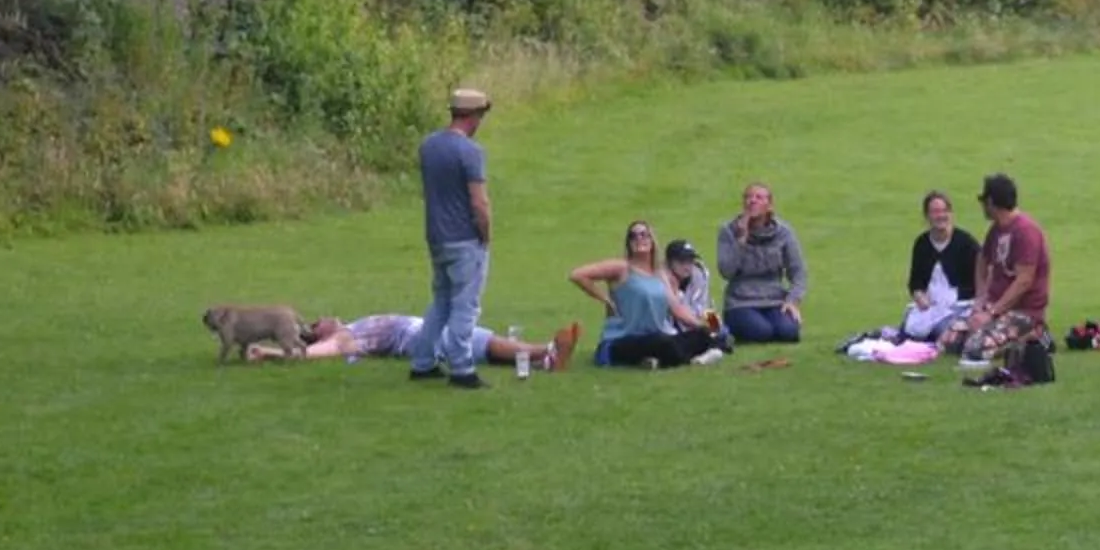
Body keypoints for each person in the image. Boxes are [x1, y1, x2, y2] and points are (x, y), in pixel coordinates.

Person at [411, 86, 495, 389]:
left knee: (442, 301)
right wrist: (485, 235)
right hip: (464, 239)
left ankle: (423, 361)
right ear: (473, 116)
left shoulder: (429, 145)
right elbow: (479, 202)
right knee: (466, 305)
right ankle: (461, 367)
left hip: (436, 237)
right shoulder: (471, 152)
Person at [574, 220, 728, 369]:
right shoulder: (622, 268)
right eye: (633, 236)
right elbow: (578, 275)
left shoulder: (660, 274)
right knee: (663, 343)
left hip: (655, 335)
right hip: (622, 338)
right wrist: (605, 299)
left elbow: (677, 309)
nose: (639, 239)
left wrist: (703, 326)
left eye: (644, 234)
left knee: (705, 335)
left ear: (652, 240)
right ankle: (691, 357)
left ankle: (656, 360)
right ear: (628, 243)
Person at [952, 171, 1050, 370]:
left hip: (1023, 312)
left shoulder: (1026, 232)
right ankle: (1014, 340)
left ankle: (1035, 335)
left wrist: (992, 313)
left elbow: (1024, 280)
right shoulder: (997, 229)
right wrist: (980, 300)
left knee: (976, 348)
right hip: (996, 308)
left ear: (990, 202)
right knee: (951, 339)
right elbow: (982, 259)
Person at [249, 314, 576, 371]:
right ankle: (546, 349)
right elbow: (305, 354)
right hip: (420, 338)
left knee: (482, 342)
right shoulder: (342, 340)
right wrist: (268, 352)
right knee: (482, 341)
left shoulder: (350, 327)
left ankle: (545, 361)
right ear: (318, 333)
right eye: (314, 324)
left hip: (427, 329)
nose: (322, 319)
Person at [717, 183, 807, 343]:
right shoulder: (728, 231)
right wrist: (741, 240)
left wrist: (793, 300)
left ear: (769, 205)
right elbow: (726, 272)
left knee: (789, 333)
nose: (752, 201)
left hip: (775, 300)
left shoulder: (783, 233)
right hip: (740, 302)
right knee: (761, 333)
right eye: (748, 197)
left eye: (758, 197)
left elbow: (798, 271)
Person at [904, 190, 978, 340]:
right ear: (927, 216)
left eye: (945, 211)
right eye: (935, 212)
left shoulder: (966, 243)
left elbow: (980, 279)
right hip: (930, 306)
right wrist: (919, 296)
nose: (941, 216)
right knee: (907, 328)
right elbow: (915, 282)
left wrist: (954, 297)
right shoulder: (922, 244)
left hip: (960, 304)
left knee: (941, 330)